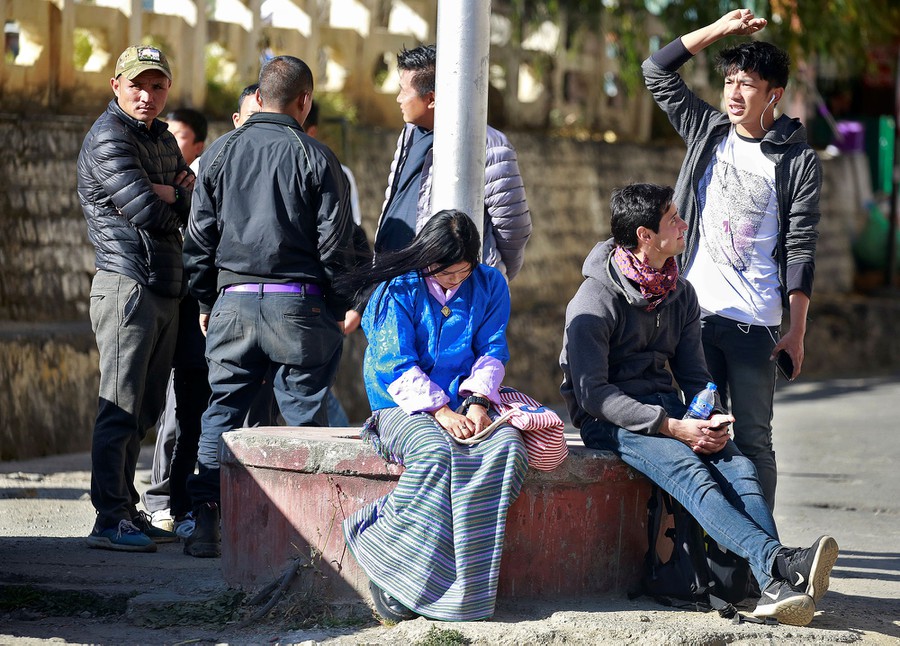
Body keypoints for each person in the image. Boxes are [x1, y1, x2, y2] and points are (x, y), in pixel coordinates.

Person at [560, 183, 837, 626]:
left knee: (740, 466)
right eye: (673, 219)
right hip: (609, 420)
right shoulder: (593, 301)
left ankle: (774, 582)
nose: (684, 224)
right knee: (691, 473)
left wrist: (710, 416)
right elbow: (593, 394)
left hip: (668, 410)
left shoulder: (680, 293)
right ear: (644, 235)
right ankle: (782, 568)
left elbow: (694, 376)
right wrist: (671, 427)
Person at [642, 8, 823, 509]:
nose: (735, 93)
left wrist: (797, 328)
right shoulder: (708, 131)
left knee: (752, 441)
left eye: (748, 84)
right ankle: (696, 560)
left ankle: (756, 565)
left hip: (756, 327)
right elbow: (656, 69)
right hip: (694, 320)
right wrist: (721, 29)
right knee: (693, 435)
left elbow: (801, 245)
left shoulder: (796, 160)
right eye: (730, 81)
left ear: (774, 95)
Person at [182, 55, 356, 558]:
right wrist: (340, 303)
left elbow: (199, 241)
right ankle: (310, 535)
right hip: (297, 307)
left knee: (223, 410)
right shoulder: (318, 159)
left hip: (232, 304)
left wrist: (205, 297)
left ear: (257, 97)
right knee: (304, 416)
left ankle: (206, 525)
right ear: (304, 101)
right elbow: (335, 247)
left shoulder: (216, 155)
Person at [340, 209, 528, 622]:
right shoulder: (396, 288)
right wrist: (439, 411)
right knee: (434, 452)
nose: (453, 282)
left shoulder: (491, 283)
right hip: (399, 404)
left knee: (509, 448)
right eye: (444, 273)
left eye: (462, 273)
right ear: (426, 258)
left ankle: (463, 585)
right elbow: (394, 363)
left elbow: (492, 348)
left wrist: (478, 403)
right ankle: (383, 549)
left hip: (465, 401)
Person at [77, 45, 192, 552]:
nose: (147, 95)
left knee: (144, 409)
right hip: (127, 284)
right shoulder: (108, 138)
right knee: (120, 407)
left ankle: (126, 507)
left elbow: (194, 197)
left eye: (158, 86)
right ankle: (109, 519)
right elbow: (148, 210)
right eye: (138, 85)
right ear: (116, 85)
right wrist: (170, 194)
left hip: (164, 285)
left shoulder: (162, 138)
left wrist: (175, 191)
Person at [374, 44, 532, 282]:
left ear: (431, 99)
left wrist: (487, 276)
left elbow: (514, 231)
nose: (398, 98)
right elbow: (394, 195)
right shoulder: (408, 133)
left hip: (452, 289)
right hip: (396, 279)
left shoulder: (489, 145)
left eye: (403, 91)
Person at [141, 107, 211, 537]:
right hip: (159, 291)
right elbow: (145, 207)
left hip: (194, 300)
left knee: (188, 408)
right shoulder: (132, 148)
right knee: (154, 406)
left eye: (181, 138)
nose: (174, 145)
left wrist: (175, 194)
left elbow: (200, 209)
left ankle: (182, 504)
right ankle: (157, 500)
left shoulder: (199, 169)